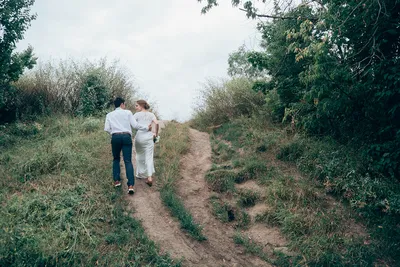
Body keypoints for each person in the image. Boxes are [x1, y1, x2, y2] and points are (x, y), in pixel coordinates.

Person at [104, 97, 151, 195]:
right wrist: (146, 128)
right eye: (124, 104)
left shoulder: (109, 115)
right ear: (122, 104)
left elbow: (107, 128)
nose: (125, 106)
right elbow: (135, 125)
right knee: (128, 160)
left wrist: (114, 133)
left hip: (115, 137)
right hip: (126, 137)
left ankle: (117, 181)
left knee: (116, 159)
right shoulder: (128, 112)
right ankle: (130, 185)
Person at [133, 100, 159, 186]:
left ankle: (140, 174)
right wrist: (156, 134)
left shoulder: (136, 115)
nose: (135, 107)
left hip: (140, 137)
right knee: (149, 157)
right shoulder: (151, 114)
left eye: (137, 106)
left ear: (141, 105)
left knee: (139, 155)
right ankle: (149, 177)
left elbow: (132, 124)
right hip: (149, 137)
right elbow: (157, 123)